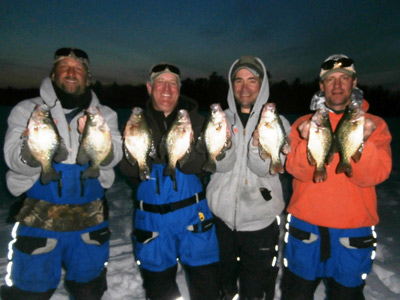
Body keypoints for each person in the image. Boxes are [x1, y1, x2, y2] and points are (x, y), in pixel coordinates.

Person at [1, 48, 123, 299]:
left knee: (89, 290)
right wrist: (33, 144)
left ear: (87, 78)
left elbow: (114, 158)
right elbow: (14, 161)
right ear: (54, 75)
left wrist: (92, 136)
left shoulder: (104, 114)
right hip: (37, 220)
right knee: (29, 291)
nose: (71, 72)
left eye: (78, 68)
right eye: (64, 67)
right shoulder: (28, 110)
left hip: (90, 222)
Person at [281, 54, 392, 300]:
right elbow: (294, 169)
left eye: (344, 78)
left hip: (353, 232)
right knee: (295, 294)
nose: (338, 85)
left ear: (354, 83)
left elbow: (373, 176)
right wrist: (306, 142)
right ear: (322, 86)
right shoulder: (303, 123)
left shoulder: (375, 125)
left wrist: (362, 142)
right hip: (305, 229)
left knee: (347, 295)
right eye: (330, 80)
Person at [119, 63, 220, 300]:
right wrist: (135, 150)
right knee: (159, 291)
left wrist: (182, 148)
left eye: (173, 83)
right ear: (149, 87)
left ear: (179, 88)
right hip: (151, 220)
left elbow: (201, 166)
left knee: (207, 287)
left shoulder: (198, 122)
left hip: (194, 215)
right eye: (160, 82)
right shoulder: (135, 123)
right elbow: (128, 171)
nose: (167, 88)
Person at [206, 56, 291, 300]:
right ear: (231, 86)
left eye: (252, 81)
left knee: (256, 291)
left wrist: (256, 146)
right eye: (239, 81)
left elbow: (265, 168)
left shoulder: (278, 123)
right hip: (221, 222)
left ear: (262, 85)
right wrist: (225, 147)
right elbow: (220, 165)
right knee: (225, 288)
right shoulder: (220, 119)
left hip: (261, 224)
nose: (244, 87)